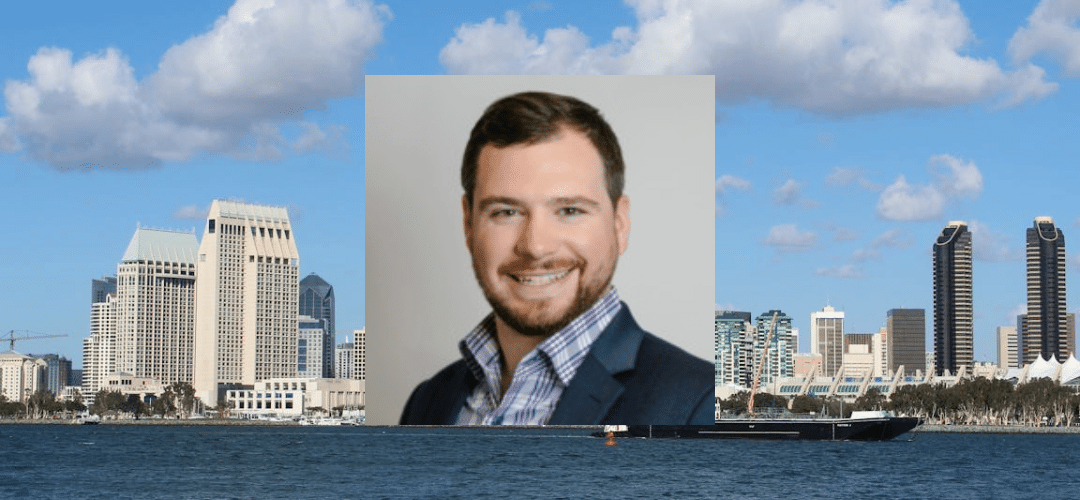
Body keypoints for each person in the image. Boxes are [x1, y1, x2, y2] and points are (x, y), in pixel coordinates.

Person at [399, 91, 712, 425]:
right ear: (468, 224)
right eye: (506, 212)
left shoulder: (702, 407)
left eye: (569, 210)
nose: (535, 246)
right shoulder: (429, 400)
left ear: (620, 224)